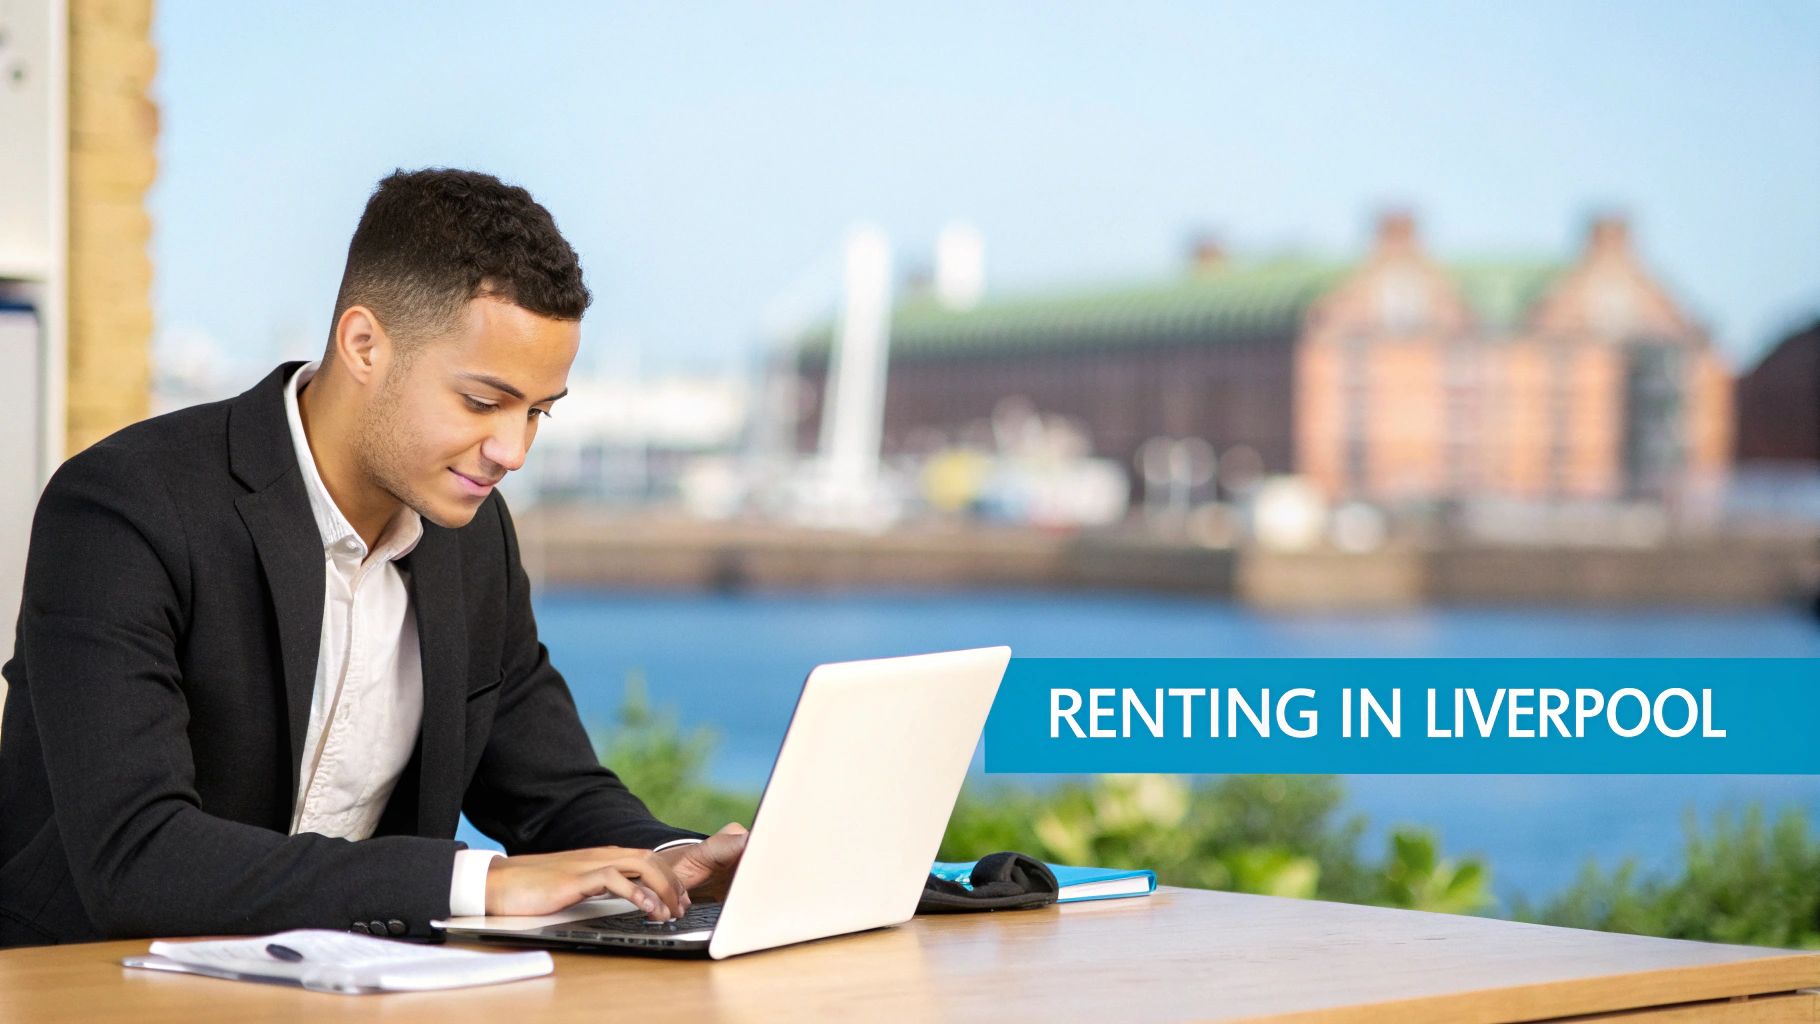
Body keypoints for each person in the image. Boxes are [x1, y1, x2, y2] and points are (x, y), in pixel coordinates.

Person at [0, 168, 746, 948]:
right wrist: (481, 882)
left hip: (346, 990)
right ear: (364, 345)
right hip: (90, 981)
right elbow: (137, 857)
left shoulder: (473, 535)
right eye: (483, 402)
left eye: (538, 413)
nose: (512, 451)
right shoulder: (123, 509)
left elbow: (550, 791)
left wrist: (675, 861)